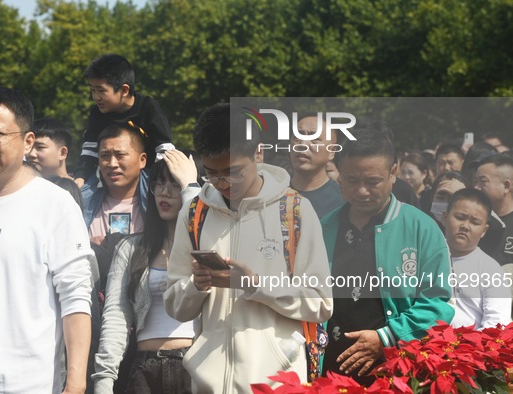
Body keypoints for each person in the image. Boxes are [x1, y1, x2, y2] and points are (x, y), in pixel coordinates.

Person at [163, 103, 333, 392]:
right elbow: (175, 306)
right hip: (207, 383)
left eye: (234, 172)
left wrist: (257, 286)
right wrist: (196, 285)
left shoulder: (295, 211)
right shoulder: (194, 214)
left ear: (258, 153)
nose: (223, 183)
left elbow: (320, 303)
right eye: (212, 174)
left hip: (277, 383)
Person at [0, 87, 93, 393]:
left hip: (29, 384)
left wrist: (75, 384)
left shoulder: (55, 205)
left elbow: (75, 300)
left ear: (27, 142)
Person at [320, 127, 453, 385]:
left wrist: (386, 337)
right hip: (330, 370)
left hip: (395, 370)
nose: (361, 191)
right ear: (339, 176)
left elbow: (437, 303)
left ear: (394, 172)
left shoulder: (421, 228)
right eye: (351, 180)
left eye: (372, 182)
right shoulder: (324, 227)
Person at [93, 151, 199, 393]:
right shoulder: (131, 248)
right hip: (145, 370)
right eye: (159, 183)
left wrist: (191, 187)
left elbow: (206, 233)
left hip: (196, 366)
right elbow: (116, 316)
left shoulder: (204, 244)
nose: (165, 191)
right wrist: (104, 380)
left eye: (175, 184)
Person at [74, 54, 173, 189]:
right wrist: (80, 177)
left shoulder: (148, 108)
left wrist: (158, 181)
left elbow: (164, 149)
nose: (96, 97)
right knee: (84, 195)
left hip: (146, 176)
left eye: (101, 90)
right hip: (108, 176)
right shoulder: (96, 113)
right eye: (92, 90)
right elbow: (90, 150)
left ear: (124, 90)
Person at [442, 188, 511, 329]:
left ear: (484, 230)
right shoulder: (426, 258)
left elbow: (497, 324)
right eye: (460, 217)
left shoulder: (490, 269)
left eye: (474, 222)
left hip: (471, 347)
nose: (465, 226)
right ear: (444, 217)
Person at [83, 123, 149, 245]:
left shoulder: (159, 205)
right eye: (105, 156)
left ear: (142, 160)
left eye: (120, 155)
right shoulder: (81, 202)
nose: (112, 164)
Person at [474, 153, 513, 265]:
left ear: (506, 186)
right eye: (475, 181)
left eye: (483, 181)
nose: (476, 187)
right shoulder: (473, 220)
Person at [289, 113, 343, 218]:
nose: (303, 144)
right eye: (297, 136)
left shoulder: (342, 202)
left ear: (332, 151)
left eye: (314, 139)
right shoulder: (273, 194)